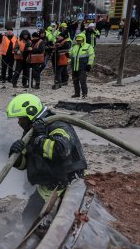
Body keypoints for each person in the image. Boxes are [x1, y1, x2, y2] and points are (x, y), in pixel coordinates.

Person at [6, 93, 87, 228]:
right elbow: (24, 164)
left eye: (21, 118)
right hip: (48, 184)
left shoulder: (57, 125)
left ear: (30, 113)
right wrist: (15, 154)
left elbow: (61, 151)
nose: (19, 122)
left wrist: (40, 138)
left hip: (67, 183)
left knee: (59, 222)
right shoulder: (32, 129)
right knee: (29, 216)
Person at [67, 32, 94, 98]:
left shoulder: (88, 47)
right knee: (75, 81)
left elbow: (91, 56)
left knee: (82, 81)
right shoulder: (74, 47)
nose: (78, 41)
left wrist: (89, 64)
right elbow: (71, 54)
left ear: (83, 39)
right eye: (77, 40)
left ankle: (84, 94)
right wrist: (68, 55)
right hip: (74, 67)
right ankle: (77, 93)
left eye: (80, 40)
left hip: (83, 67)